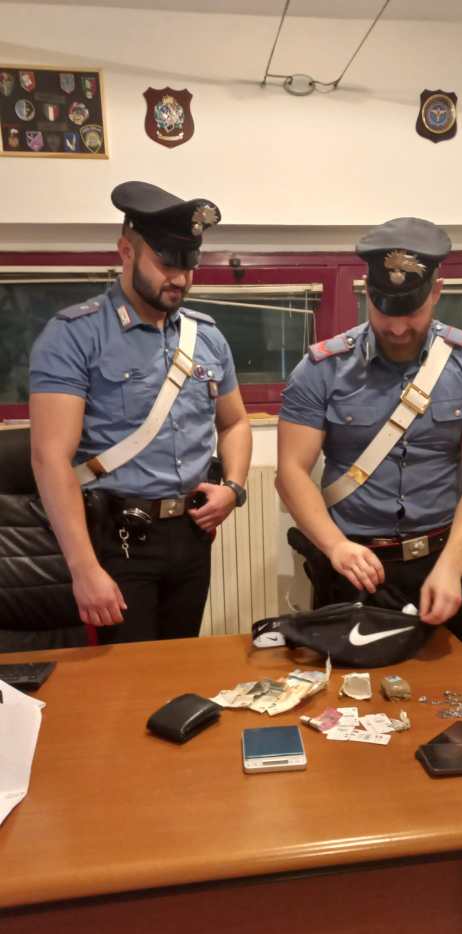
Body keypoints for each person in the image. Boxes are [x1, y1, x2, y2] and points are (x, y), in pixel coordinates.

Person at [277, 217, 462, 681]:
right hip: (354, 565)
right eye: (385, 310)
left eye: (412, 310)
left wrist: (451, 567)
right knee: (348, 704)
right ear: (367, 292)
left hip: (444, 557)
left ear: (436, 292)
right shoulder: (322, 369)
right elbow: (291, 472)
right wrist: (335, 546)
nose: (399, 326)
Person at [29, 180, 252, 644]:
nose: (181, 279)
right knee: (124, 677)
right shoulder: (74, 335)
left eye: (189, 265)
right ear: (126, 251)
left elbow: (234, 422)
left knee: (178, 665)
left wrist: (233, 488)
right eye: (167, 263)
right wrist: (83, 568)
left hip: (192, 535)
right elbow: (50, 458)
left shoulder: (207, 337)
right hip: (117, 540)